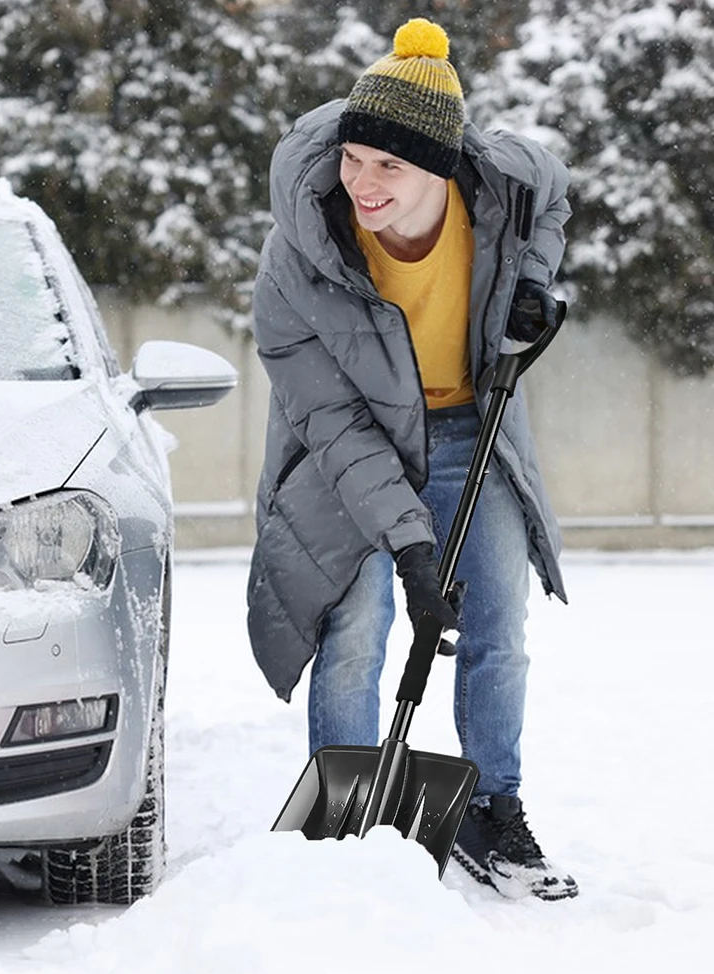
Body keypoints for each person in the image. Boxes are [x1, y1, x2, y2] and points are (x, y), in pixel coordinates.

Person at [247, 17, 577, 901]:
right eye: (355, 157)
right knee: (355, 628)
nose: (363, 182)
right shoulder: (298, 259)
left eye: (388, 166)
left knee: (498, 623)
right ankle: (343, 822)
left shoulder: (502, 185)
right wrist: (411, 545)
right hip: (344, 449)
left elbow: (556, 196)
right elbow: (334, 423)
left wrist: (534, 283)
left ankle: (491, 806)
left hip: (472, 424)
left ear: (440, 165)